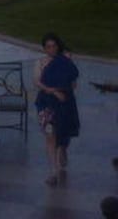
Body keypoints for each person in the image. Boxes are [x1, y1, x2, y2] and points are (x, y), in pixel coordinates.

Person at [35, 31, 80, 186]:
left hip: (64, 104)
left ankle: (63, 149)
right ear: (44, 48)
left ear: (58, 46)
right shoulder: (41, 62)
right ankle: (53, 173)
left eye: (54, 46)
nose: (51, 49)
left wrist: (63, 88)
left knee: (63, 134)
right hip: (46, 105)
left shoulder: (65, 61)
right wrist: (54, 91)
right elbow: (37, 82)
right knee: (50, 136)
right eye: (48, 47)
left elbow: (73, 84)